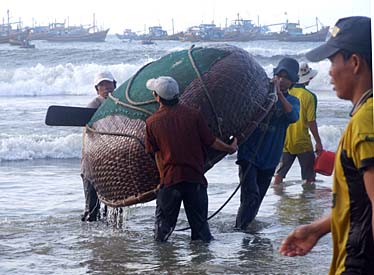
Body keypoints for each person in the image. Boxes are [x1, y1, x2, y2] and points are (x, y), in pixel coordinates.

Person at [279, 16, 374, 275]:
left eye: (333, 61)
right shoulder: (364, 116)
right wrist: (317, 229)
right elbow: (361, 204)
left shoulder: (367, 122)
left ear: (354, 63)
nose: (329, 71)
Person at [144, 76, 238, 242]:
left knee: (162, 233)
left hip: (170, 181)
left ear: (157, 97)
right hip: (195, 179)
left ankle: (162, 264)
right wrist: (230, 148)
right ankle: (200, 265)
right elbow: (211, 141)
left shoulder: (152, 122)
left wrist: (162, 180)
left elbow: (157, 154)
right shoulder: (194, 115)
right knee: (201, 232)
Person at [235, 57, 300, 230]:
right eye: (279, 75)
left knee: (257, 198)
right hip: (249, 153)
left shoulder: (293, 101)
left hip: (270, 158)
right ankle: (240, 230)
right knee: (251, 195)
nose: (282, 80)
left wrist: (279, 94)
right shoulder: (260, 93)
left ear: (292, 82)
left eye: (286, 77)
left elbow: (293, 117)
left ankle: (244, 228)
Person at [274, 62, 323, 186]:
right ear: (309, 79)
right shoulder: (310, 96)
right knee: (309, 177)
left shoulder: (286, 92)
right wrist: (318, 142)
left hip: (285, 140)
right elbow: (311, 121)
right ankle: (306, 201)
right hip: (302, 142)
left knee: (279, 174)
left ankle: (277, 199)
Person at [81, 71, 116, 222]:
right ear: (97, 89)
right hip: (92, 163)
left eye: (109, 84)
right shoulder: (93, 105)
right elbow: (89, 133)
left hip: (110, 163)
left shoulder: (117, 103)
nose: (106, 87)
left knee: (113, 208)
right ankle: (90, 238)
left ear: (115, 85)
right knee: (92, 208)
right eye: (102, 85)